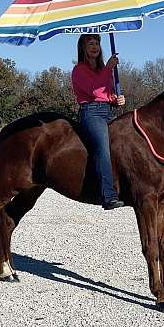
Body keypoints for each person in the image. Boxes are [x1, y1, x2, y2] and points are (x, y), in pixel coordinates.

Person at [71, 34, 126, 210]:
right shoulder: (79, 70)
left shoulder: (102, 69)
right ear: (83, 48)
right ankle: (108, 196)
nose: (95, 47)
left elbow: (106, 94)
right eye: (91, 43)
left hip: (107, 111)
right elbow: (94, 91)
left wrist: (117, 99)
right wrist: (108, 68)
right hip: (91, 113)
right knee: (103, 148)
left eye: (97, 43)